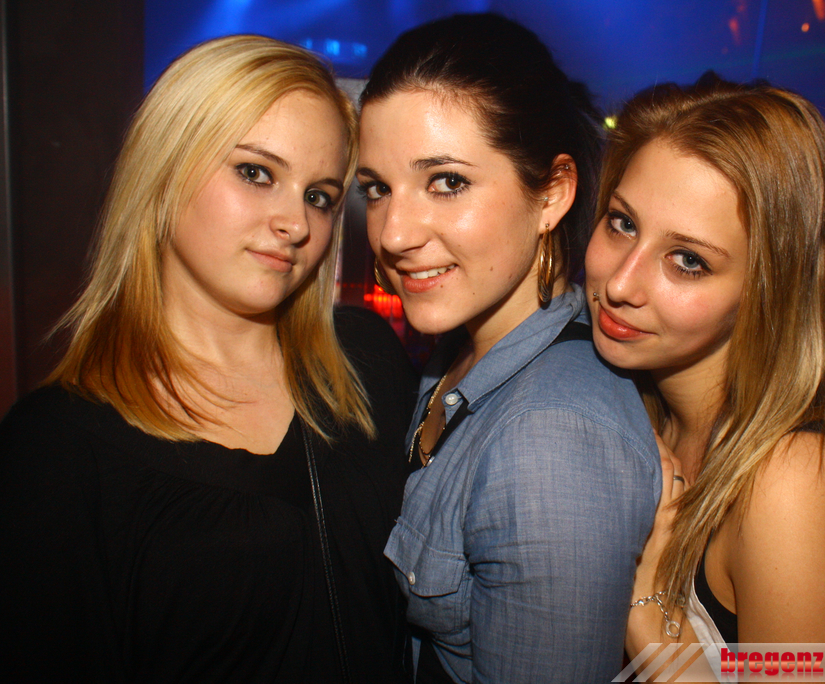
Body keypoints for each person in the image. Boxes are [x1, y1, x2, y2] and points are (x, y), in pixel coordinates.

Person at [0, 35, 416, 682]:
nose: (295, 223)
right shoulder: (54, 452)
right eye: (256, 173)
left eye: (319, 196)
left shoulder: (368, 365)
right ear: (164, 168)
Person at [356, 13, 661, 684]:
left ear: (551, 193)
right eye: (377, 188)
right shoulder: (457, 354)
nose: (394, 233)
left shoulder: (551, 435)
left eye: (447, 181)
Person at [585, 75, 825, 673]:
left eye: (688, 261)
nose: (620, 283)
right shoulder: (632, 406)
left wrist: (643, 601)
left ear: (767, 288)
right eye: (622, 223)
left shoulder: (798, 483)